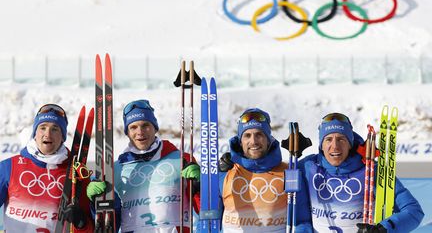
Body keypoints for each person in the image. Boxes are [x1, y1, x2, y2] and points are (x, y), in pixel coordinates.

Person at [294, 112, 425, 233]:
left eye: (341, 139)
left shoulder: (372, 170)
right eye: (328, 139)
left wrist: (383, 229)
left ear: (350, 144)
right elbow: (301, 220)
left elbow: (414, 211)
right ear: (321, 145)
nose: (335, 146)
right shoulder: (306, 167)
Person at [87, 99, 198, 232]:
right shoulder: (116, 169)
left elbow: (203, 209)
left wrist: (201, 185)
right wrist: (95, 203)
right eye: (133, 127)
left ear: (155, 128)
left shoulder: (181, 159)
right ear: (127, 132)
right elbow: (111, 224)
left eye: (145, 125)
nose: (140, 132)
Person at [0, 104, 94, 232]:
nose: (47, 134)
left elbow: (90, 228)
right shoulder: (8, 167)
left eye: (55, 129)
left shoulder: (76, 173)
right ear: (35, 134)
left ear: (63, 137)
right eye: (42, 128)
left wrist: (81, 222)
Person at [216, 108, 309, 232]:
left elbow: (301, 221)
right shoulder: (225, 172)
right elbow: (208, 218)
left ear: (268, 139)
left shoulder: (289, 173)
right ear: (240, 141)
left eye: (259, 134)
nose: (253, 141)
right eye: (247, 135)